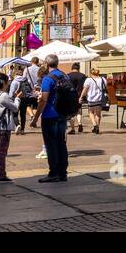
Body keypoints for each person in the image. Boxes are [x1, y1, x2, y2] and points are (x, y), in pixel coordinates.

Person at [36, 55, 75, 183]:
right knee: (61, 142)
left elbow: (44, 99)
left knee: (51, 145)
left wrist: (36, 116)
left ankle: (53, 173)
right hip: (62, 114)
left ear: (47, 65)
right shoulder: (65, 75)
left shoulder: (47, 79)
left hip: (50, 115)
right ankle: (63, 172)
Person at [80, 69, 108, 134]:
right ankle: (97, 127)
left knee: (90, 112)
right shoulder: (103, 79)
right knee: (98, 114)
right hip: (99, 99)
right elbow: (106, 88)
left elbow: (85, 90)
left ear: (91, 73)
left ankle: (94, 124)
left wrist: (81, 97)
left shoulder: (88, 80)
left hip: (91, 99)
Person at [14, 62, 38, 134]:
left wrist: (16, 95)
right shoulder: (26, 80)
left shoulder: (15, 81)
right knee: (23, 114)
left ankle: (18, 125)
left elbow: (12, 92)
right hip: (25, 98)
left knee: (15, 114)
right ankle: (23, 129)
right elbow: (29, 89)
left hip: (17, 98)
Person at [66, 63, 87, 134]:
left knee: (71, 113)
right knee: (78, 110)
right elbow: (85, 86)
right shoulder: (83, 76)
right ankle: (80, 123)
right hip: (79, 95)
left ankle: (73, 129)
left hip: (70, 96)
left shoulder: (68, 76)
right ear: (78, 68)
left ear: (72, 68)